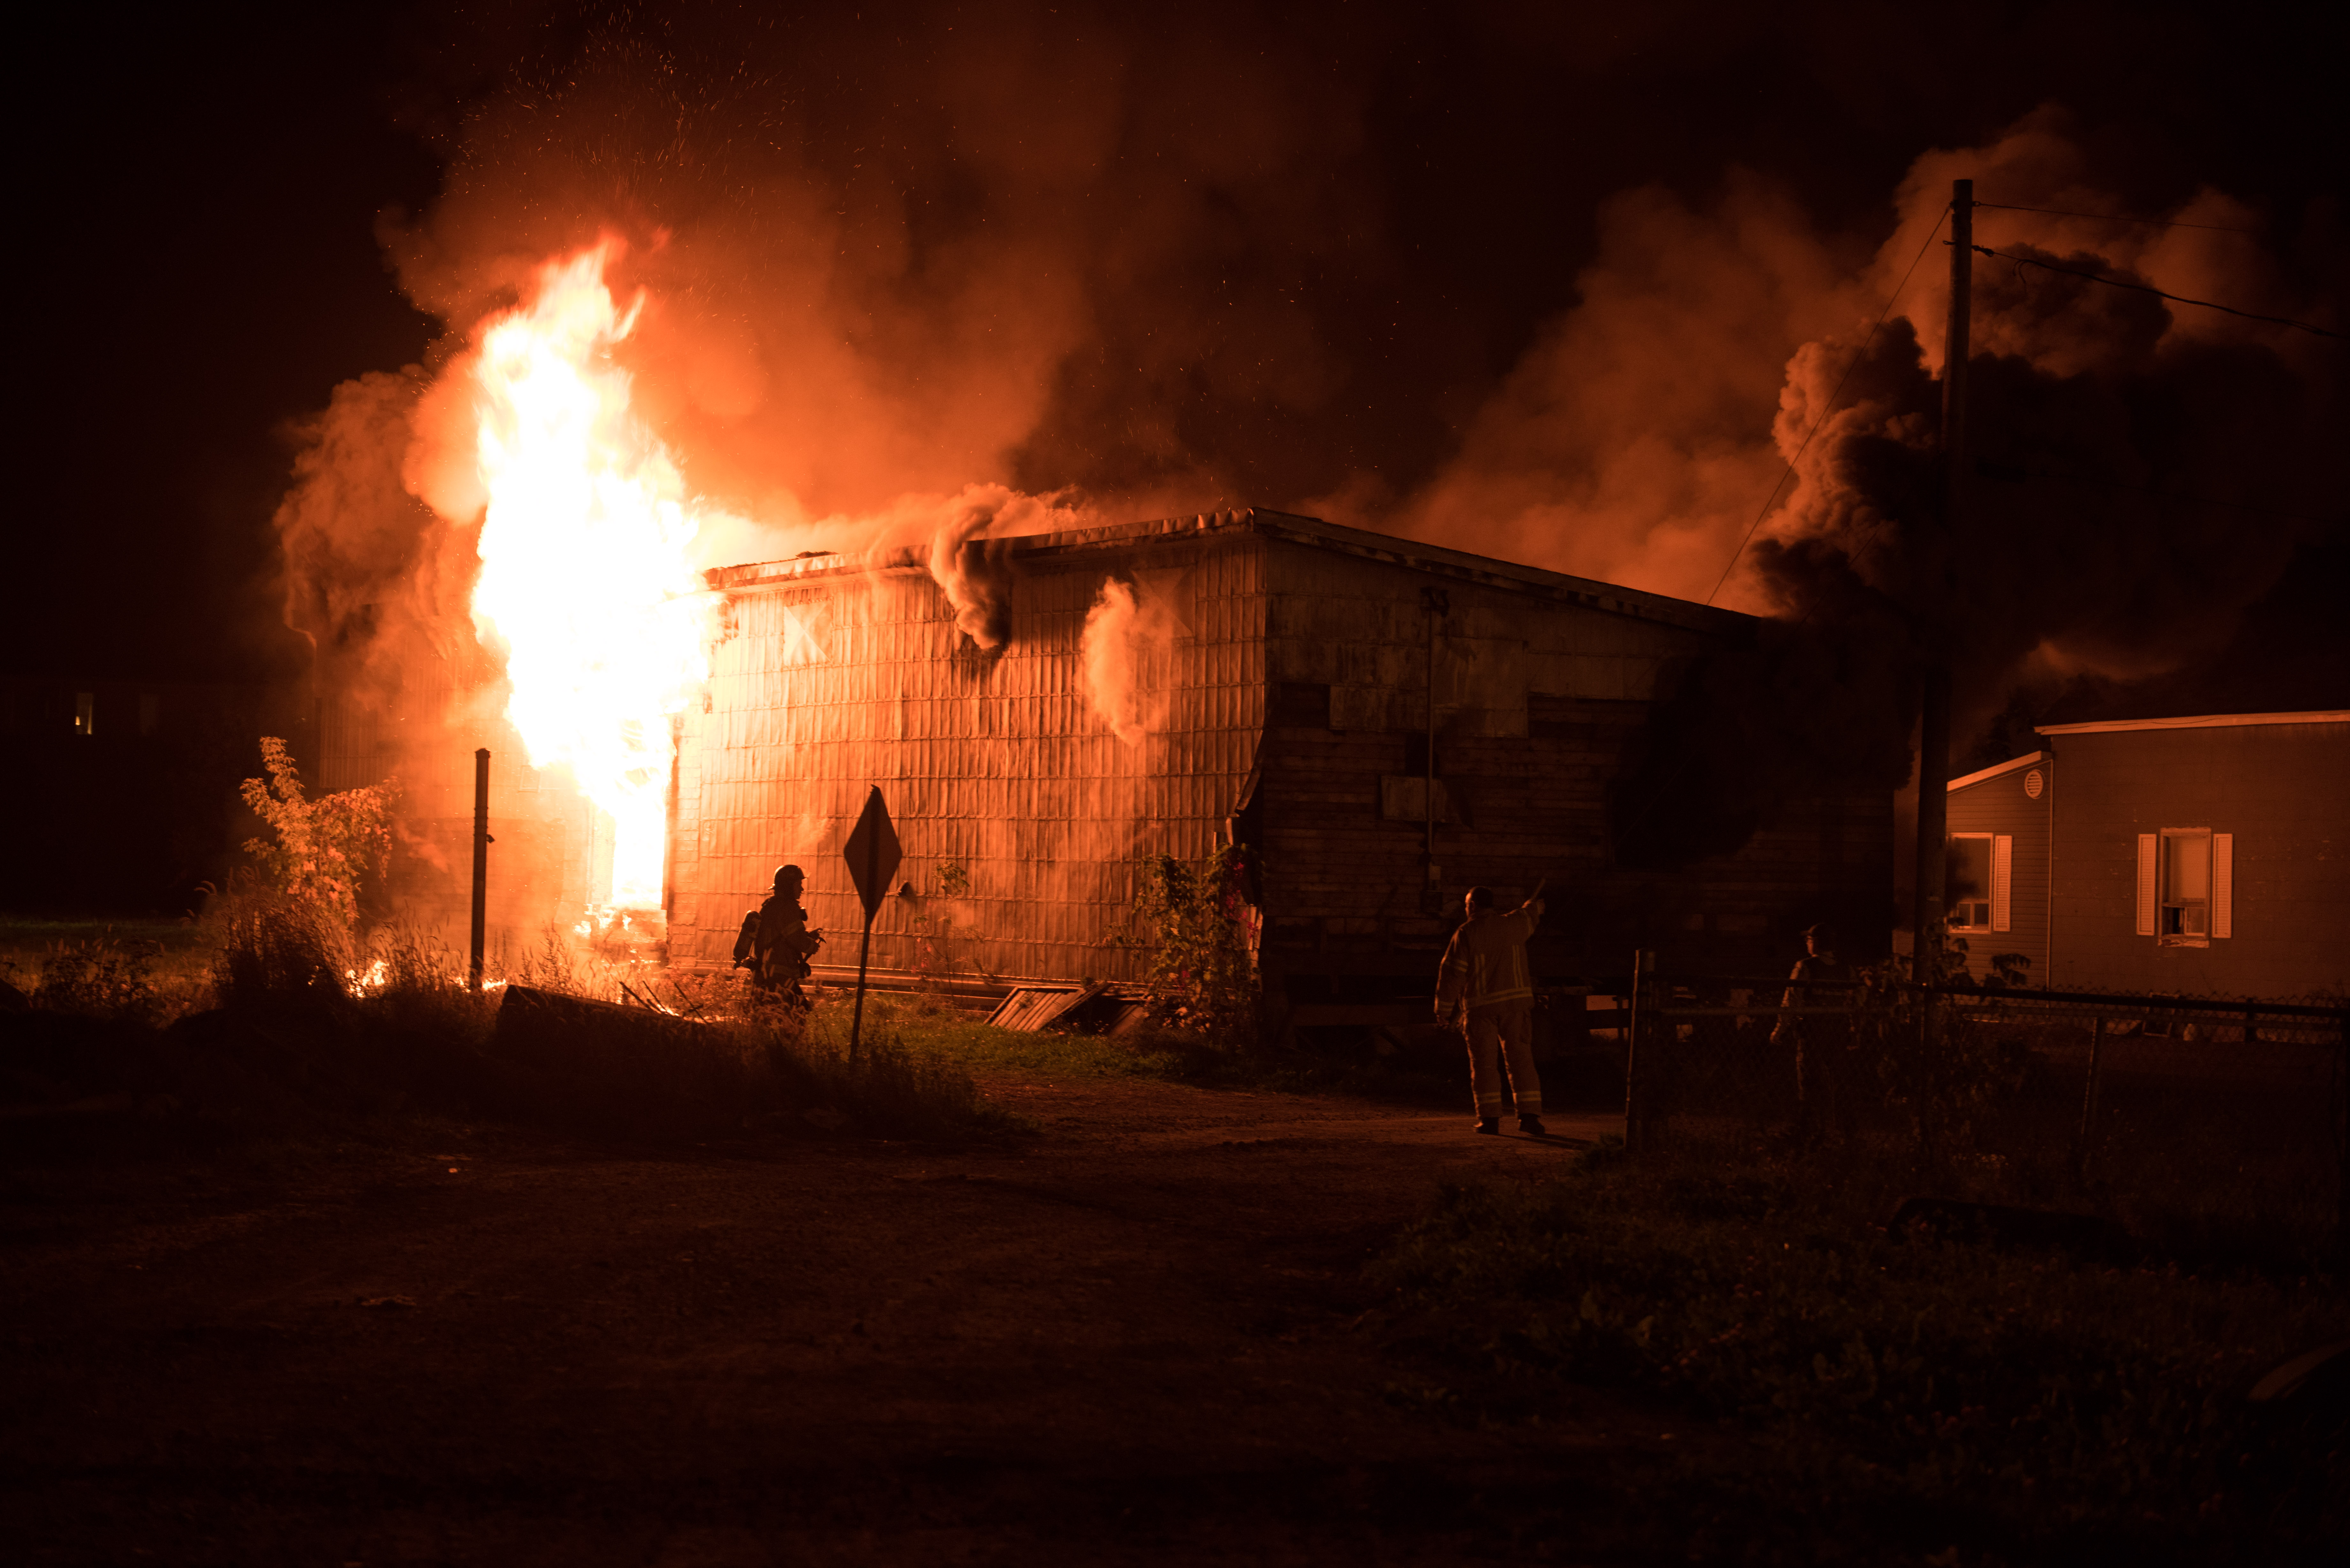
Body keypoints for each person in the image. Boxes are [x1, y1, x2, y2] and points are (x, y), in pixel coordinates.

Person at [1435, 885, 1546, 1136]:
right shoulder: (1515, 925)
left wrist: (1443, 1010)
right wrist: (1535, 906)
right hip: (1516, 1007)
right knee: (1521, 1061)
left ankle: (1490, 1120)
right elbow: (1529, 914)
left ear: (1472, 906)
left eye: (1466, 905)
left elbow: (1452, 974)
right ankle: (1530, 1119)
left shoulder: (1466, 934)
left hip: (1481, 1010)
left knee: (1484, 1065)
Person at [1772, 922, 1856, 1136]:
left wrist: (1780, 1029)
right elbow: (1853, 1003)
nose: (1807, 944)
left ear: (1817, 943)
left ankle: (1810, 1129)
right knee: (1840, 1081)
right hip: (1838, 1031)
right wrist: (1854, 1030)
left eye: (1809, 940)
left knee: (1809, 1080)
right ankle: (1844, 1129)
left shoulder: (1805, 967)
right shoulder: (1846, 969)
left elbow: (1791, 1000)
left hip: (1813, 1031)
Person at [733, 864, 824, 1008]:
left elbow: (781, 936)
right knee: (799, 1011)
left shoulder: (771, 905)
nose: (802, 889)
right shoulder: (789, 908)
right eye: (799, 884)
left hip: (764, 976)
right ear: (789, 887)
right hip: (779, 977)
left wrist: (808, 936)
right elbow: (798, 941)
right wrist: (812, 945)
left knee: (765, 1016)